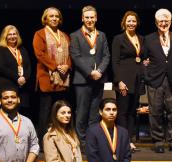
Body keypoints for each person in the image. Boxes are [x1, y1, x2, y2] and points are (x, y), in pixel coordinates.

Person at [70, 5, 110, 149]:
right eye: (87, 17)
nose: (89, 20)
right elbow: (76, 57)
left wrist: (99, 71)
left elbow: (106, 56)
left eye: (92, 17)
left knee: (94, 113)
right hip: (82, 80)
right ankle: (82, 141)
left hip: (98, 79)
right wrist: (90, 72)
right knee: (82, 112)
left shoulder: (102, 35)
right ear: (82, 18)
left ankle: (92, 140)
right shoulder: (75, 36)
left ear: (96, 18)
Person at [142, 8, 172, 153]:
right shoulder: (149, 38)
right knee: (155, 112)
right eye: (161, 21)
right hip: (155, 81)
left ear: (170, 22)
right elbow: (144, 60)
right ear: (156, 22)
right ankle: (158, 141)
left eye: (166, 21)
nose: (163, 23)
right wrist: (147, 76)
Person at [33, 7, 72, 140]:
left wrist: (67, 66)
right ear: (45, 19)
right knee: (46, 111)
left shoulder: (65, 36)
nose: (54, 18)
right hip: (47, 78)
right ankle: (43, 141)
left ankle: (60, 137)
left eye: (56, 16)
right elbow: (40, 54)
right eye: (51, 16)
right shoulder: (40, 34)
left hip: (62, 78)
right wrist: (56, 66)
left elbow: (70, 55)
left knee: (60, 111)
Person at [112, 11, 144, 152]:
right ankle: (123, 142)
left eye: (134, 21)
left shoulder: (141, 38)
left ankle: (129, 139)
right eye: (129, 21)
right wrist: (119, 81)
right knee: (123, 111)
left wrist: (145, 62)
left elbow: (142, 57)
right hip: (124, 81)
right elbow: (115, 61)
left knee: (132, 112)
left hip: (137, 80)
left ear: (137, 23)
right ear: (124, 22)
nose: (131, 23)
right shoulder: (119, 39)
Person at [0, 25, 32, 116]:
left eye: (14, 34)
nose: (12, 36)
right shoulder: (1, 50)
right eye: (9, 34)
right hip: (7, 84)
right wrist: (17, 78)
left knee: (22, 112)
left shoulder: (22, 49)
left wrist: (24, 78)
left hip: (22, 86)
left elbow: (28, 67)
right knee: (8, 112)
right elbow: (1, 68)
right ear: (5, 37)